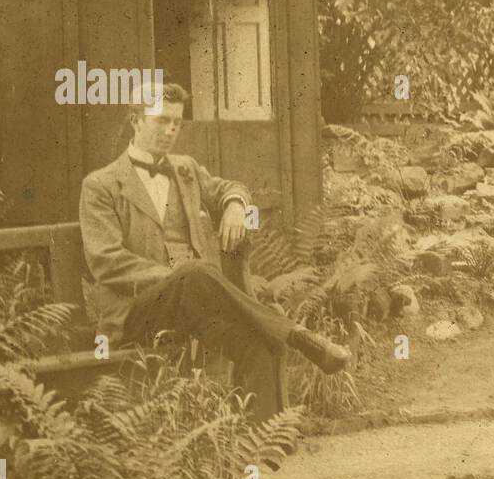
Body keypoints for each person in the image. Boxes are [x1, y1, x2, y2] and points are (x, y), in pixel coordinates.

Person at [79, 81, 348, 421]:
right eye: (162, 120)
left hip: (193, 306)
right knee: (196, 272)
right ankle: (296, 333)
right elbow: (106, 262)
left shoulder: (185, 169)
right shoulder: (101, 184)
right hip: (136, 312)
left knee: (261, 345)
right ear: (135, 120)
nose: (171, 130)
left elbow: (231, 187)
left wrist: (235, 205)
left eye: (176, 122)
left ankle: (267, 454)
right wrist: (174, 276)